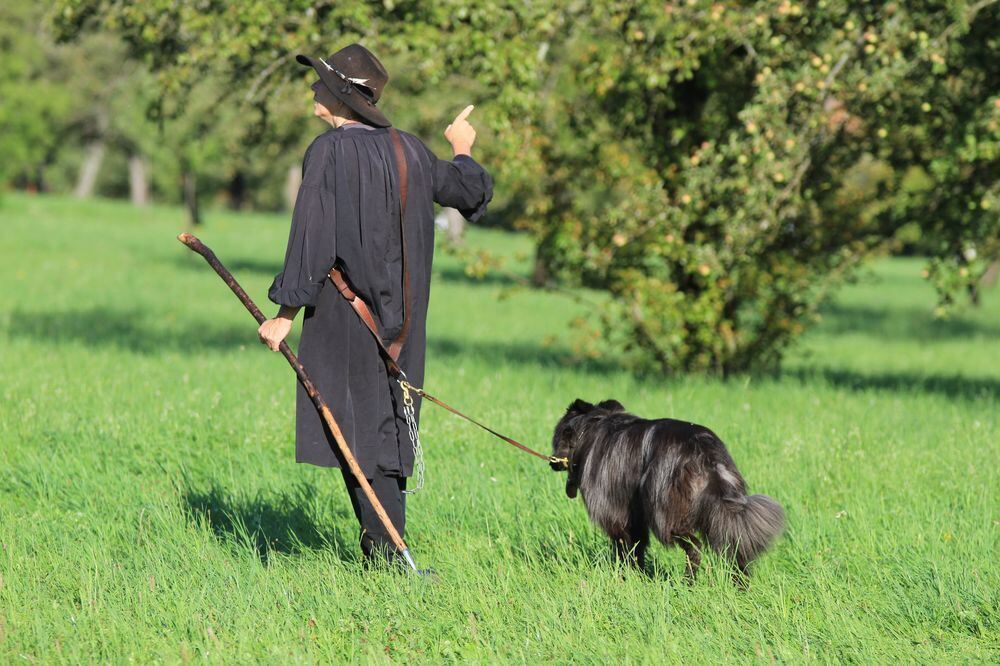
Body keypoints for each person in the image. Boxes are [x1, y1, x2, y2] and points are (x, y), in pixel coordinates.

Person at [256, 44, 493, 565]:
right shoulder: (410, 149)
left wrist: (284, 315)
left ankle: (390, 557)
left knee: (357, 430)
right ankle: (383, 553)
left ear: (341, 96)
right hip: (403, 324)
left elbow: (311, 238)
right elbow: (470, 190)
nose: (314, 89)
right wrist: (463, 148)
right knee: (380, 432)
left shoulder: (328, 152)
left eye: (321, 82)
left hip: (347, 317)